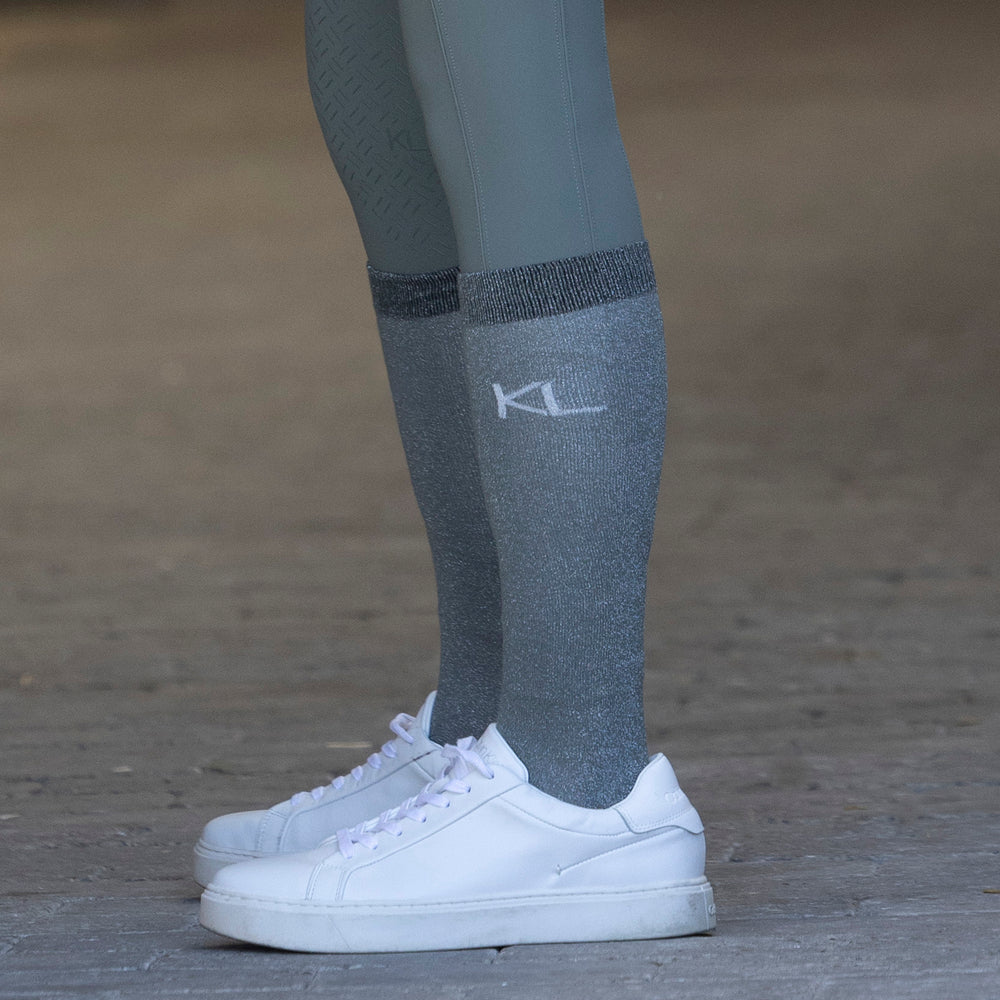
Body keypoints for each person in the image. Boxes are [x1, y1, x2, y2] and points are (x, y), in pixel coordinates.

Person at [196, 0, 714, 952]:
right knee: (376, 96)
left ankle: (576, 780)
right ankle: (483, 732)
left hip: (580, 799)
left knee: (516, 101)